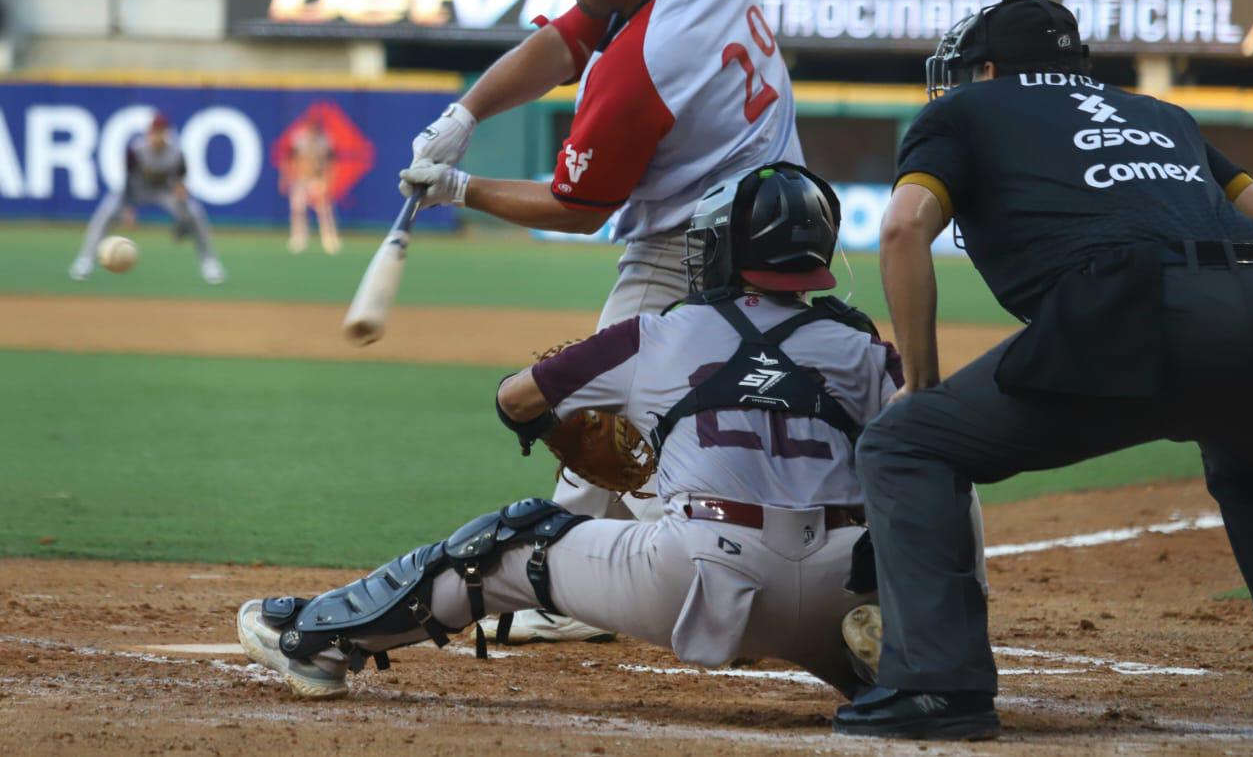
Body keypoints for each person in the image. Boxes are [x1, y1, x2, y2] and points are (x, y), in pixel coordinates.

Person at [236, 164, 897, 707]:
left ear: (725, 249)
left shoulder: (658, 332)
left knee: (507, 541)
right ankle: (912, 662)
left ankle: (318, 640)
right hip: (842, 583)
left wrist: (557, 434)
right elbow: (921, 457)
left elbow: (514, 398)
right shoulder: (863, 348)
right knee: (911, 530)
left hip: (698, 575)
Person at [833, 0, 1253, 741]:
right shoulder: (1159, 113)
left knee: (906, 444)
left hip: (1134, 311)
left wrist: (922, 383)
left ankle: (938, 687)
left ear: (987, 70)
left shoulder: (965, 110)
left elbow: (904, 229)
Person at [397, 0, 804, 644]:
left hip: (692, 247)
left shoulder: (640, 67)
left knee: (609, 409)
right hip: (783, 221)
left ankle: (721, 591)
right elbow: (568, 36)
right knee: (639, 414)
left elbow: (579, 209)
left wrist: (462, 189)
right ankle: (577, 590)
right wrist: (466, 113)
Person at [69, 112, 225, 284]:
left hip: (164, 193)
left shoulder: (176, 153)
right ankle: (85, 260)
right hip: (137, 190)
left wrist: (182, 210)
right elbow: (128, 181)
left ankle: (210, 263)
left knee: (194, 213)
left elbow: (180, 179)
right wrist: (127, 208)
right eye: (154, 132)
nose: (157, 136)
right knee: (107, 211)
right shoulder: (136, 151)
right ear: (148, 133)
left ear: (166, 133)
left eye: (161, 131)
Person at [281, 119, 341, 255]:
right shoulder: (299, 139)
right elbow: (290, 158)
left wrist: (329, 178)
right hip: (301, 178)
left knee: (324, 210)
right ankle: (298, 238)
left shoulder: (324, 140)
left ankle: (329, 239)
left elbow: (331, 160)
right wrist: (286, 177)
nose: (312, 131)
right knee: (298, 209)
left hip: (317, 177)